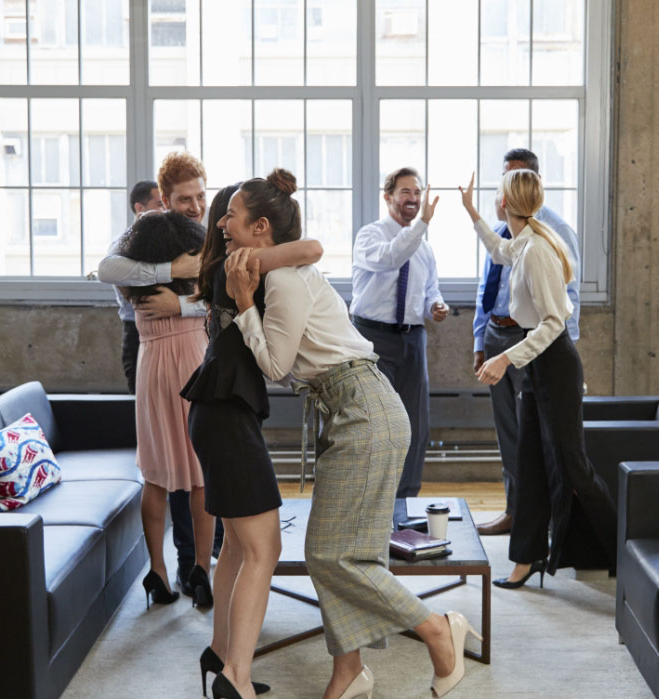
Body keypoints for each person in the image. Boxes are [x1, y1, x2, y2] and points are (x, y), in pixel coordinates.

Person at [226, 168, 477, 699]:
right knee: (353, 551)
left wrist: (245, 306)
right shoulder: (284, 272)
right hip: (354, 409)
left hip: (362, 410)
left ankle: (436, 628)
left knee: (328, 553)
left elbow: (275, 367)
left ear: (261, 228)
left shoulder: (285, 282)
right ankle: (349, 671)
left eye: (231, 216)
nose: (223, 223)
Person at [181, 185, 323, 698]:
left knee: (239, 547)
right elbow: (311, 249)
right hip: (225, 417)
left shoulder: (232, 267)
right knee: (265, 548)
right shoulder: (237, 268)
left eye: (228, 216)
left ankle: (220, 655)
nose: (220, 223)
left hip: (217, 414)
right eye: (228, 216)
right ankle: (235, 678)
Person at [458, 169, 616, 589]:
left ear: (506, 203)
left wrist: (505, 359)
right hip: (538, 367)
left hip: (556, 365)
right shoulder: (524, 242)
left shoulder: (538, 251)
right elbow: (499, 251)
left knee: (574, 468)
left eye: (494, 195)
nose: (493, 199)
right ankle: (526, 558)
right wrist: (470, 210)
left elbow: (551, 324)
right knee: (529, 465)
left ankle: (623, 549)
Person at [98, 155, 222, 598]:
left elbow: (226, 300)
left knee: (167, 471)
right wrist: (175, 272)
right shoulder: (151, 241)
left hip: (163, 356)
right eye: (185, 198)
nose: (195, 206)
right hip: (184, 355)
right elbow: (104, 270)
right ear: (163, 200)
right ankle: (192, 571)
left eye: (200, 196)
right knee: (193, 472)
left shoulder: (181, 239)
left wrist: (179, 304)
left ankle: (169, 572)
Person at [473, 148, 582, 537]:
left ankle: (551, 525)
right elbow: (491, 269)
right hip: (498, 335)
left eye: (511, 182)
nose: (502, 193)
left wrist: (559, 352)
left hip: (532, 344)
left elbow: (565, 307)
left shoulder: (547, 236)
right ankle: (516, 513)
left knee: (541, 442)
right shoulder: (513, 236)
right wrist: (480, 340)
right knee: (510, 437)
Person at [115, 209, 215, 608]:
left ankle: (157, 571)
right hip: (193, 361)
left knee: (155, 476)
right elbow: (217, 306)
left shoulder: (135, 280)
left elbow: (109, 269)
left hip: (152, 368)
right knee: (201, 475)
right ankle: (202, 571)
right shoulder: (195, 273)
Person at [350, 167, 449, 499]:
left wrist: (435, 305)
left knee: (415, 425)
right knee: (376, 424)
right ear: (388, 197)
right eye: (406, 192)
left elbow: (430, 290)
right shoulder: (370, 235)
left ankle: (405, 499)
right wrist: (421, 225)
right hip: (372, 338)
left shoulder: (425, 247)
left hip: (413, 340)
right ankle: (372, 499)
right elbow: (390, 258)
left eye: (417, 192)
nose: (414, 199)